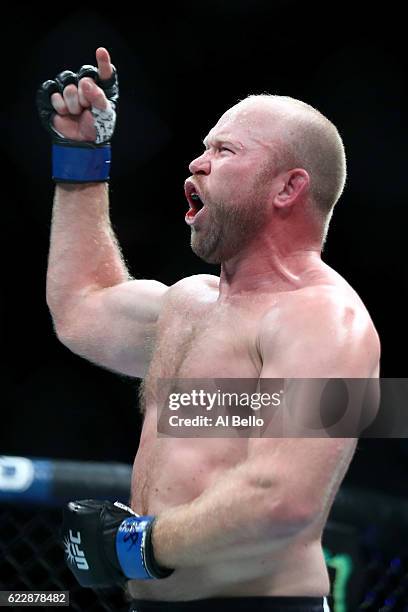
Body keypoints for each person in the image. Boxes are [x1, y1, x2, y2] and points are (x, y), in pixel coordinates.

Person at [37, 47, 380, 612]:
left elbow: (283, 501)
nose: (198, 163)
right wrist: (81, 155)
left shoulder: (328, 321)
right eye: (202, 149)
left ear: (287, 188)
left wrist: (136, 546)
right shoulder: (191, 305)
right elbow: (81, 305)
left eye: (225, 150)